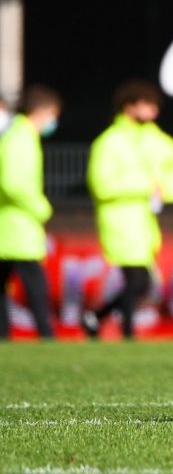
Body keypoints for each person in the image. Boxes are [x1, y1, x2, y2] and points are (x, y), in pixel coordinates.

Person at [81, 80, 173, 340]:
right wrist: (147, 186)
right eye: (146, 105)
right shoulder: (109, 142)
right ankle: (127, 331)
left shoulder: (158, 141)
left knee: (142, 282)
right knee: (136, 280)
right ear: (128, 107)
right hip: (119, 218)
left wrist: (166, 189)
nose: (152, 112)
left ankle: (96, 318)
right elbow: (102, 184)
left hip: (143, 220)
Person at [0, 86, 61, 340]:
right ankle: (46, 333)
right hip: (18, 222)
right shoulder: (21, 138)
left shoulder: (16, 135)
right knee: (34, 280)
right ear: (42, 112)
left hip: (11, 223)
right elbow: (13, 182)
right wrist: (40, 206)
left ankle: (4, 334)